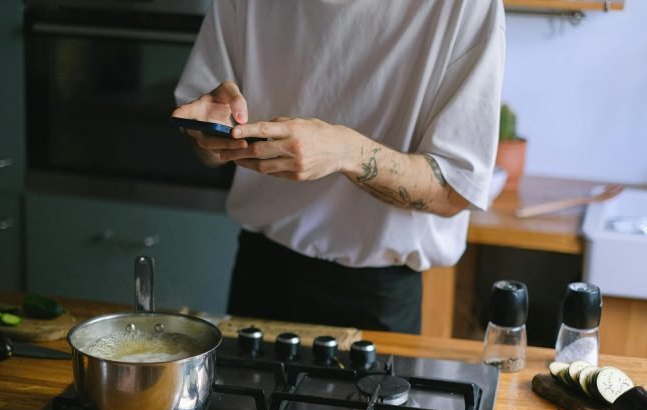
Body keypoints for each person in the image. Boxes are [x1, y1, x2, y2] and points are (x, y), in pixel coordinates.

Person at [172, 1, 505, 334]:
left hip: (376, 296)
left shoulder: (465, 6)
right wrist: (210, 134)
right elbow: (208, 148)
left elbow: (454, 191)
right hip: (260, 271)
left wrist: (345, 152)